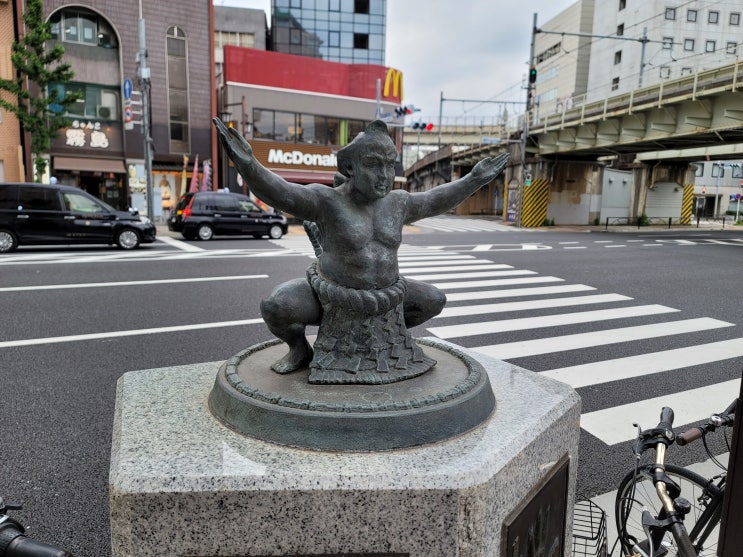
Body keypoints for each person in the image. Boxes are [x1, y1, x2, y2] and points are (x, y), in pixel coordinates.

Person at [214, 118, 509, 376]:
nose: (383, 175)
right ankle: (299, 349)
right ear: (350, 167)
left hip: (387, 298)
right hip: (331, 296)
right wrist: (248, 164)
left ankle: (386, 338)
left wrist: (474, 179)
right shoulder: (327, 201)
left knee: (434, 300)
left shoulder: (399, 203)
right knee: (276, 306)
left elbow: (435, 199)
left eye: (389, 165)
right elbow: (283, 194)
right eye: (373, 164)